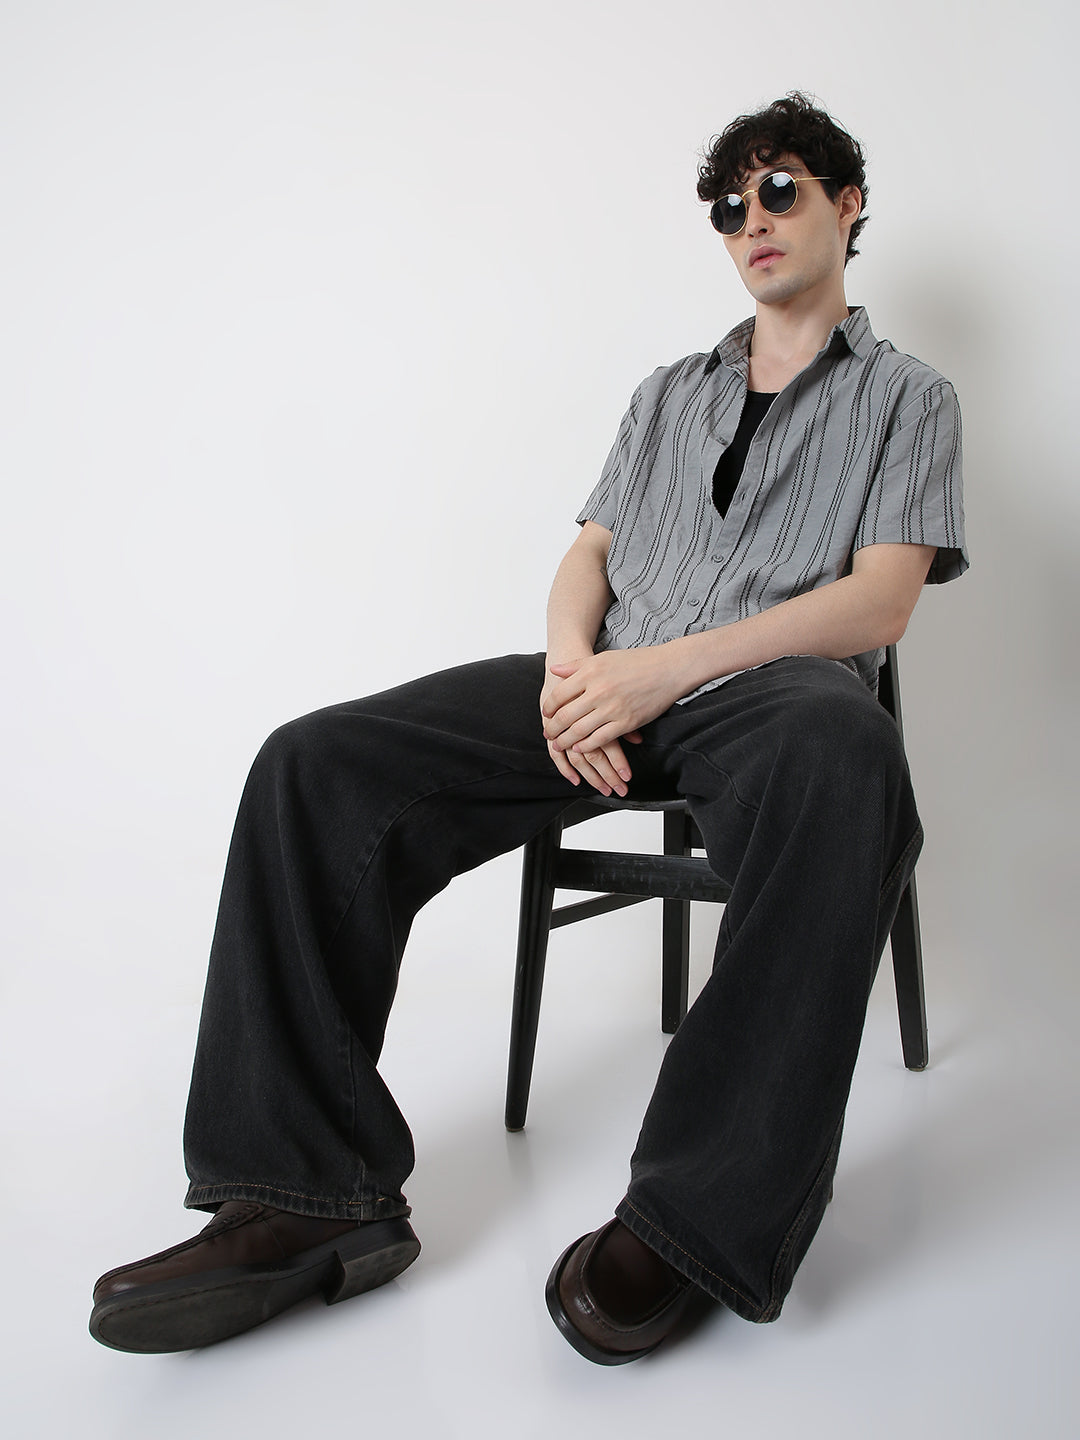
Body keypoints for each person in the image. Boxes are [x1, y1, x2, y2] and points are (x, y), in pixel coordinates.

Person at [89, 93, 967, 1364]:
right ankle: (302, 1194)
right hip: (601, 684)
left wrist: (661, 677)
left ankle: (695, 1216)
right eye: (730, 206)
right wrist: (574, 677)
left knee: (850, 759)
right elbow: (591, 556)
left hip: (769, 692)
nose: (752, 222)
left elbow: (878, 601)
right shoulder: (670, 393)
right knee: (313, 763)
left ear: (849, 204)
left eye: (780, 191)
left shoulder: (910, 396)